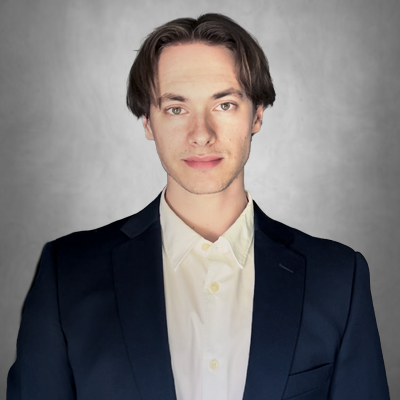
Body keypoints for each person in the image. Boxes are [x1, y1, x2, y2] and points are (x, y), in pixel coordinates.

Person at [7, 13, 390, 400]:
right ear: (147, 122)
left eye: (224, 105)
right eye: (176, 109)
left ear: (257, 115)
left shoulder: (338, 279)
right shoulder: (66, 275)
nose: (201, 134)